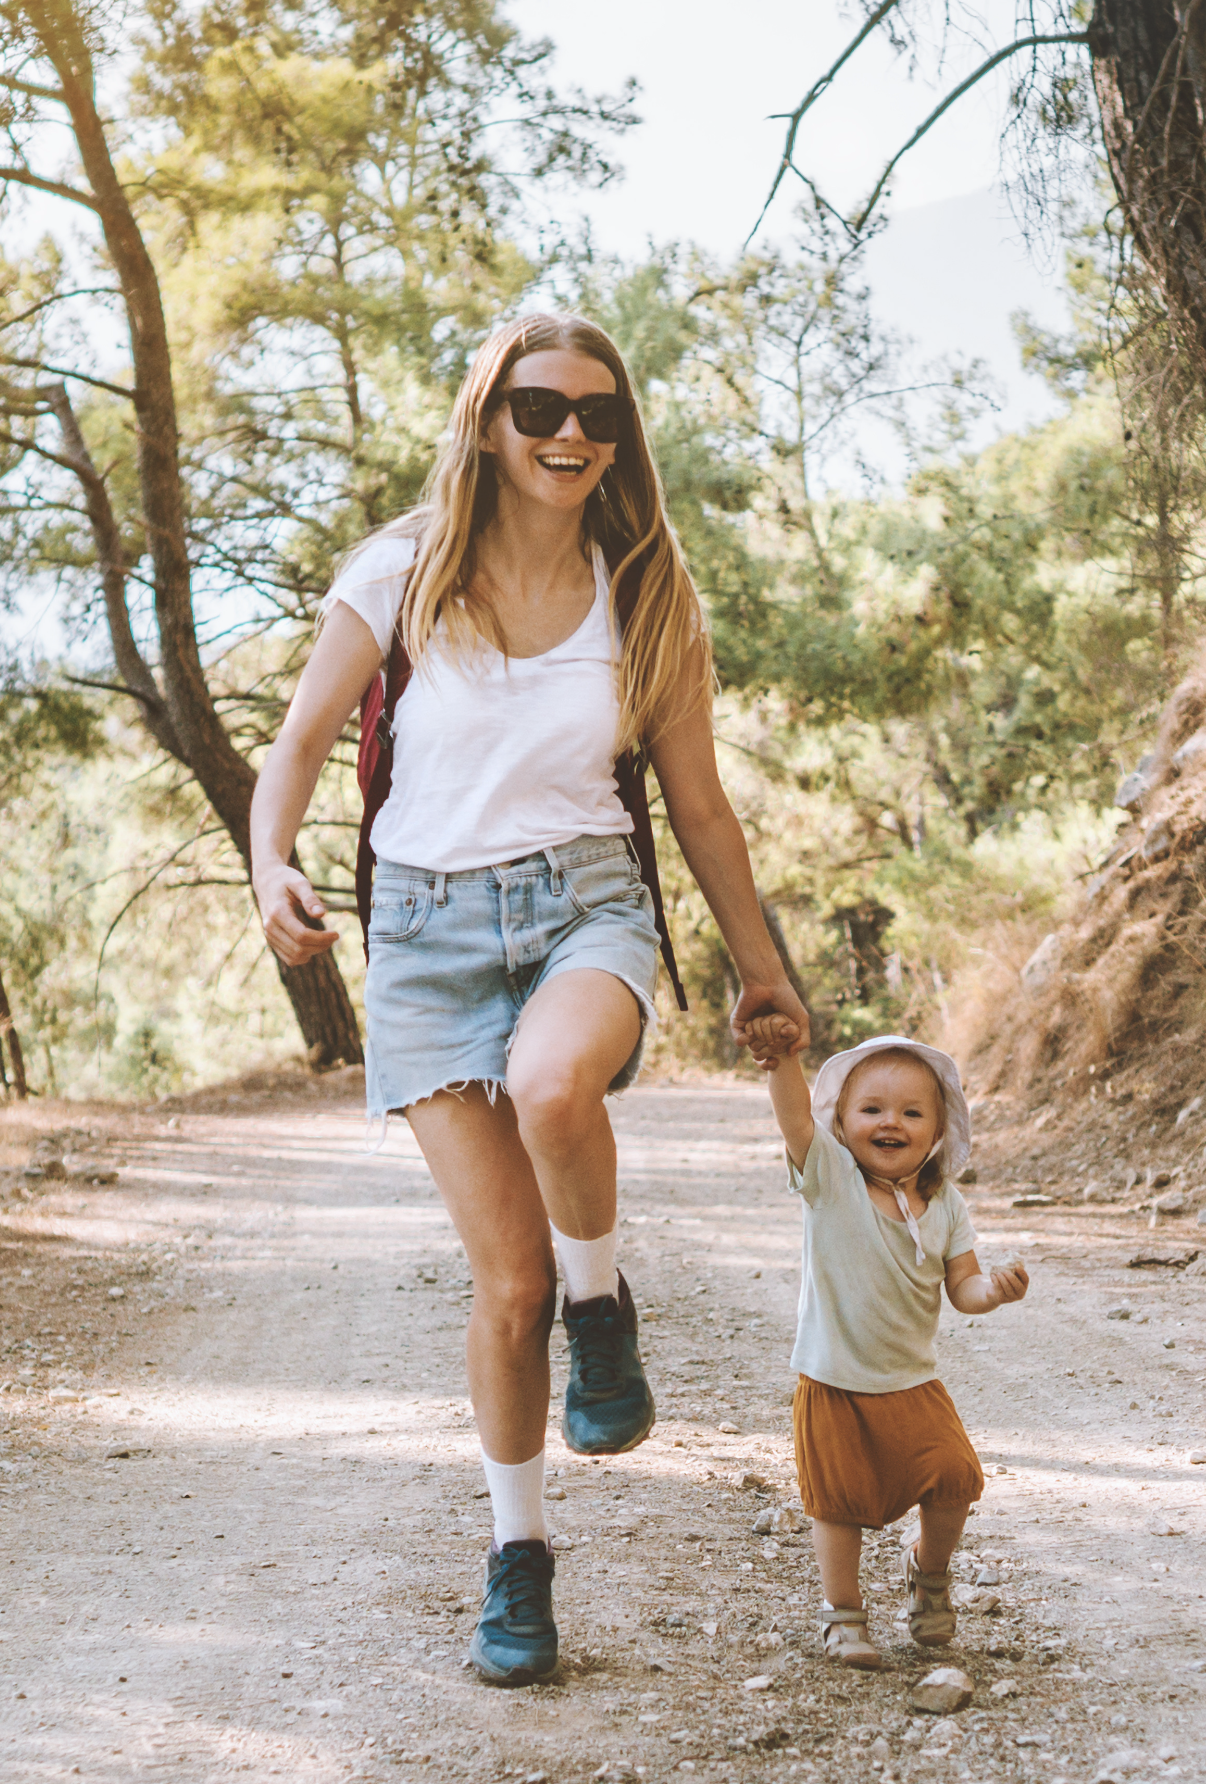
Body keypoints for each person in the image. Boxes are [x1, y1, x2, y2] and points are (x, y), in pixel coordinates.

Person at [250, 313, 808, 1685]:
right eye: (542, 408)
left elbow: (699, 805)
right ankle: (519, 1557)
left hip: (586, 905)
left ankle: (603, 1305)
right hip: (427, 938)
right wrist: (271, 862)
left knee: (559, 1088)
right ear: (488, 420)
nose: (571, 436)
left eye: (599, 416)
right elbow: (300, 742)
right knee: (505, 1292)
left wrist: (764, 970)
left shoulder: (647, 584)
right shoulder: (401, 570)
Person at [742, 1022, 1028, 1669]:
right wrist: (784, 1060)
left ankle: (928, 1575)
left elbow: (964, 1288)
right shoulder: (831, 1180)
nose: (890, 1122)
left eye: (910, 1111)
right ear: (841, 1122)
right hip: (835, 1378)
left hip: (911, 1381)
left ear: (938, 1128)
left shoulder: (946, 1204)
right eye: (871, 1109)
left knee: (955, 1478)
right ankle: (842, 1614)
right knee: (836, 1503)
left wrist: (995, 1289)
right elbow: (793, 1121)